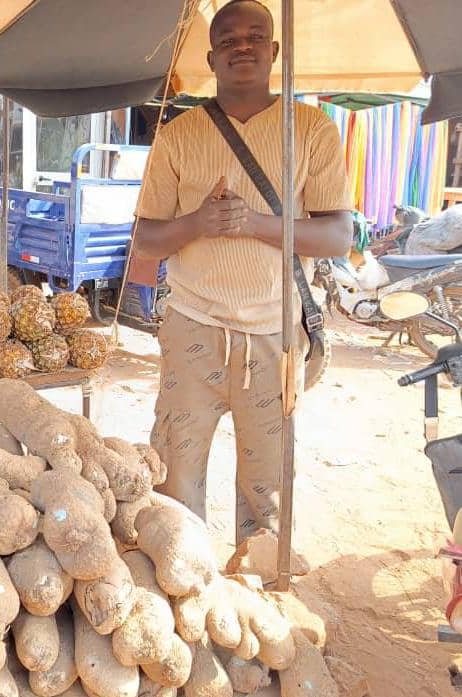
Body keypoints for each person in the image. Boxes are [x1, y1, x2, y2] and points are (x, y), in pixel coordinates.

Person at [134, 0, 353, 542]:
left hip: (275, 331)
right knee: (176, 470)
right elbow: (146, 238)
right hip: (193, 327)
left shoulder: (311, 130)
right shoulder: (178, 135)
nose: (243, 48)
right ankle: (184, 573)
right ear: (212, 58)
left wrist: (255, 221)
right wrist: (201, 221)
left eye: (255, 37)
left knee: (268, 481)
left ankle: (258, 581)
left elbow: (337, 236)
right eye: (228, 41)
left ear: (275, 51)